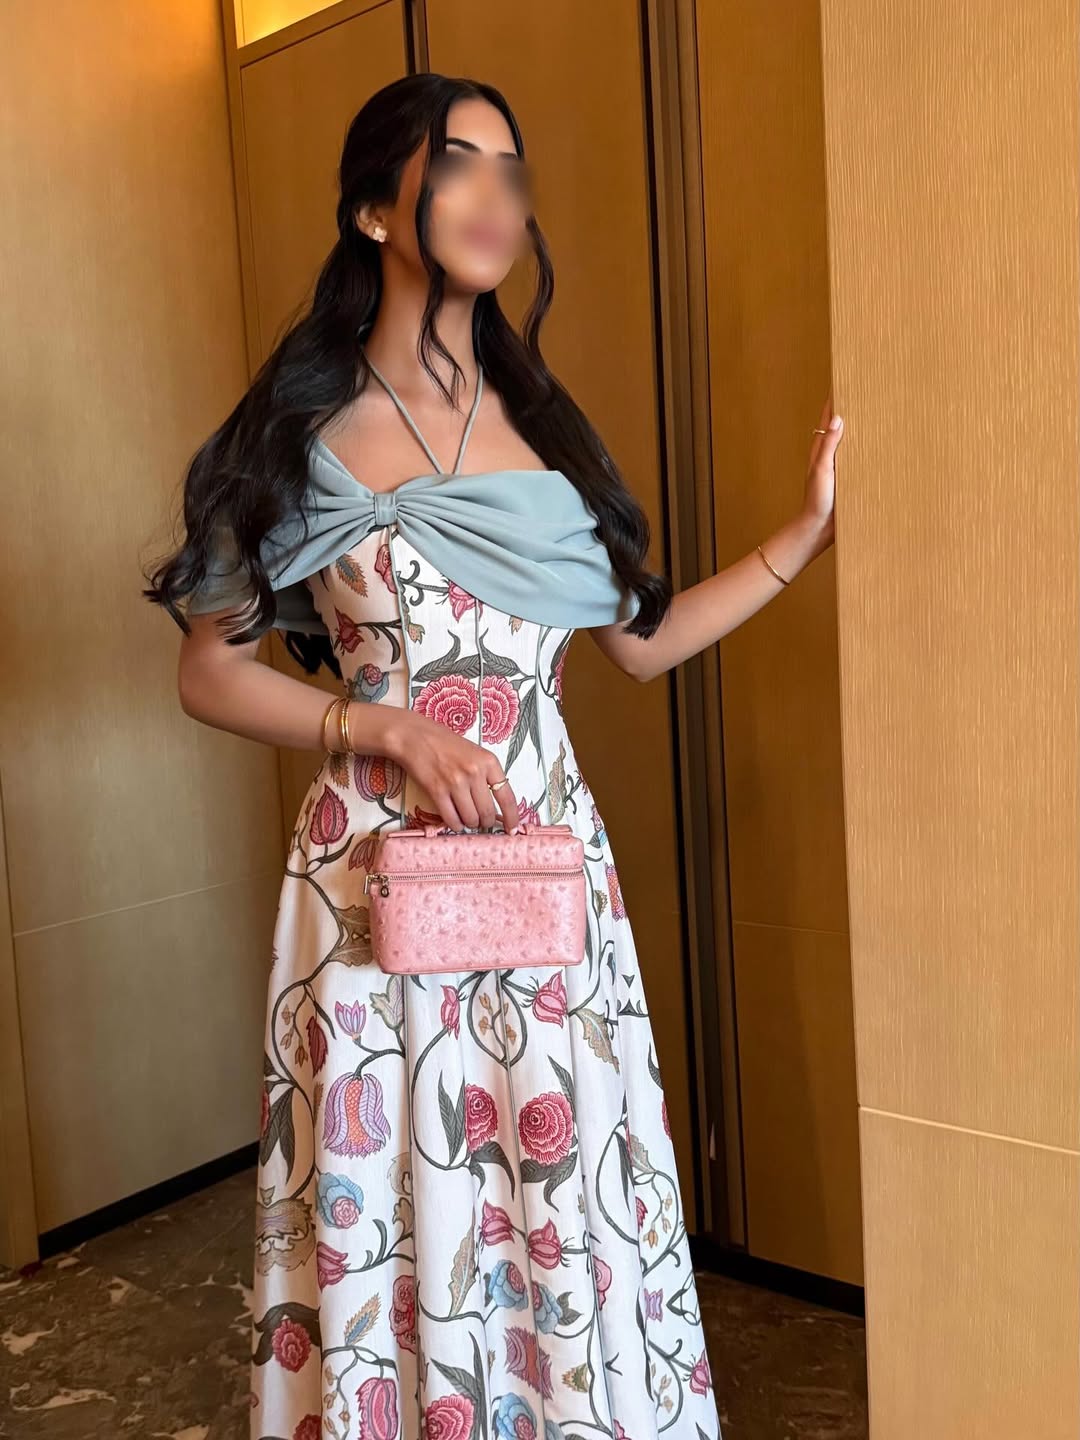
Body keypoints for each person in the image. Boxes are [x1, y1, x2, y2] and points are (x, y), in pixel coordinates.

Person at [144, 71, 841, 1440]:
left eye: (510, 172)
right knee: (395, 1194)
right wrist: (383, 726)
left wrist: (799, 539)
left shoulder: (547, 438)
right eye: (456, 163)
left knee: (552, 1179)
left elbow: (642, 643)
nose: (493, 196)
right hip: (369, 878)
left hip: (539, 869)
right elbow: (206, 670)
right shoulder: (297, 434)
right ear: (374, 209)